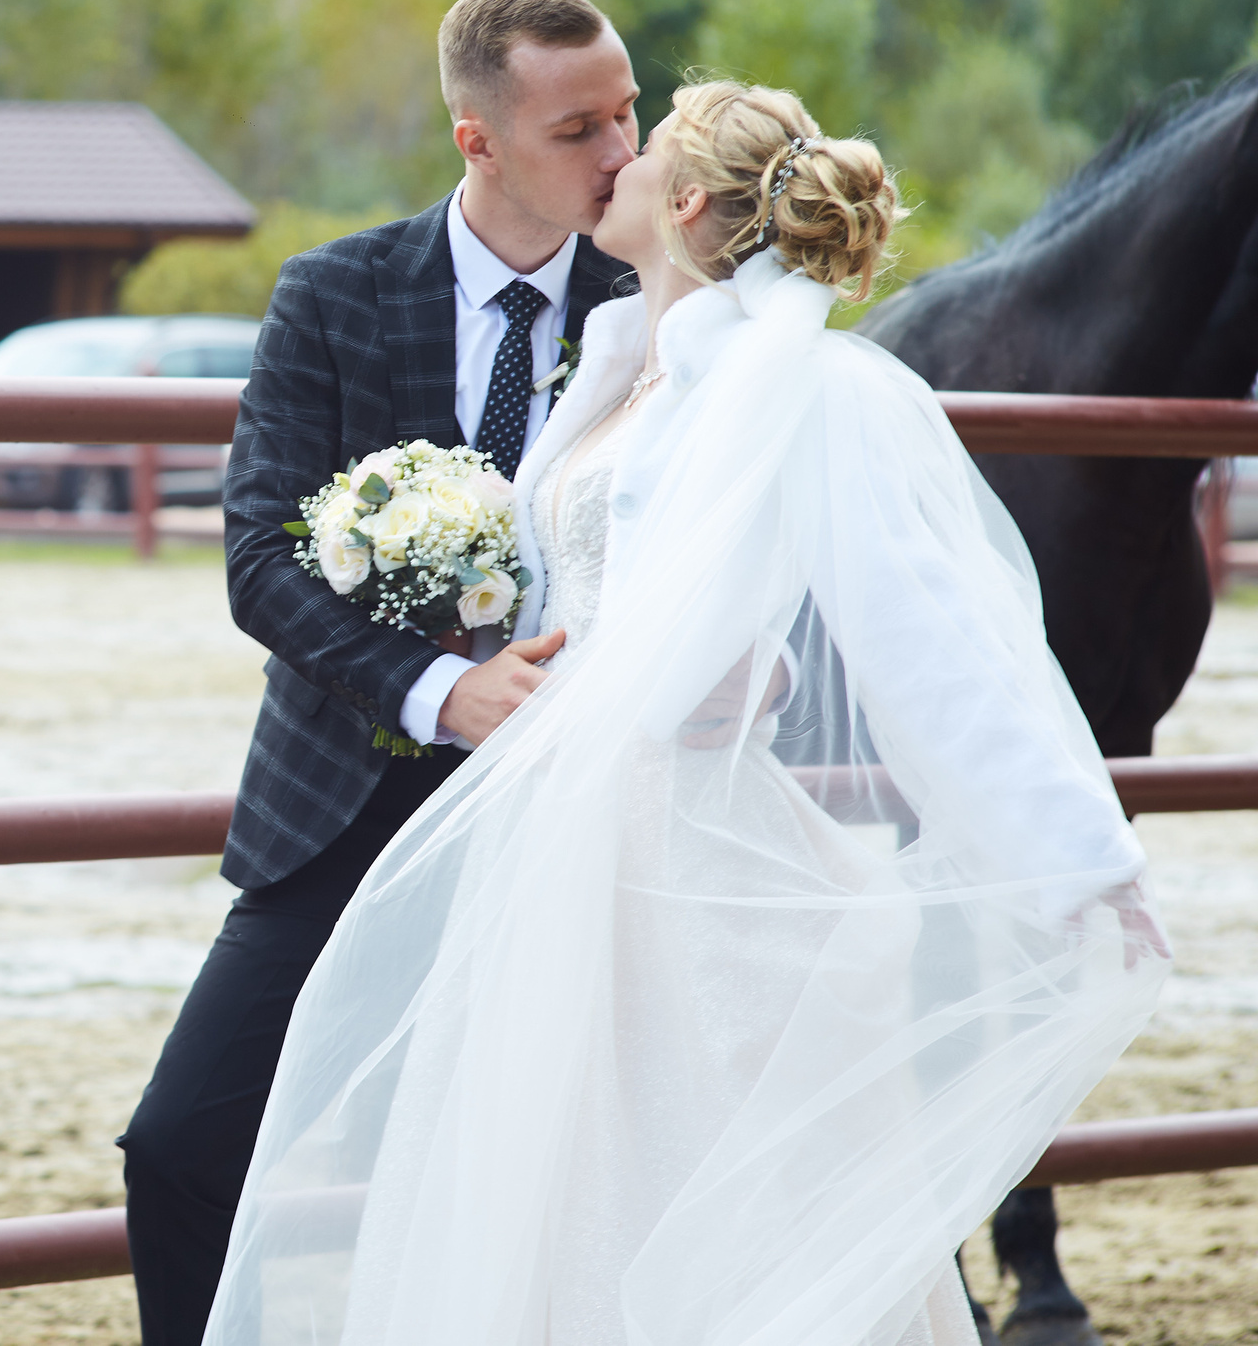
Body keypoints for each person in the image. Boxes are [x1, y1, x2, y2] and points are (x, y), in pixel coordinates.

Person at [201, 80, 1170, 1346]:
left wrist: (1081, 860)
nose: (616, 158)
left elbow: (926, 638)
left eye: (643, 145)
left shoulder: (806, 388)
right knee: (547, 1189)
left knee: (705, 1193)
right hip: (556, 844)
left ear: (687, 200)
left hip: (690, 847)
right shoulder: (619, 368)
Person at [119, 0, 637, 1345]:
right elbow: (258, 557)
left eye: (629, 113)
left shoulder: (655, 306)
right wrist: (438, 688)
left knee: (563, 1176)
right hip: (343, 793)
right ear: (478, 136)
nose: (623, 154)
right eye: (580, 127)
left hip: (570, 811)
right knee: (179, 1148)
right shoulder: (335, 293)